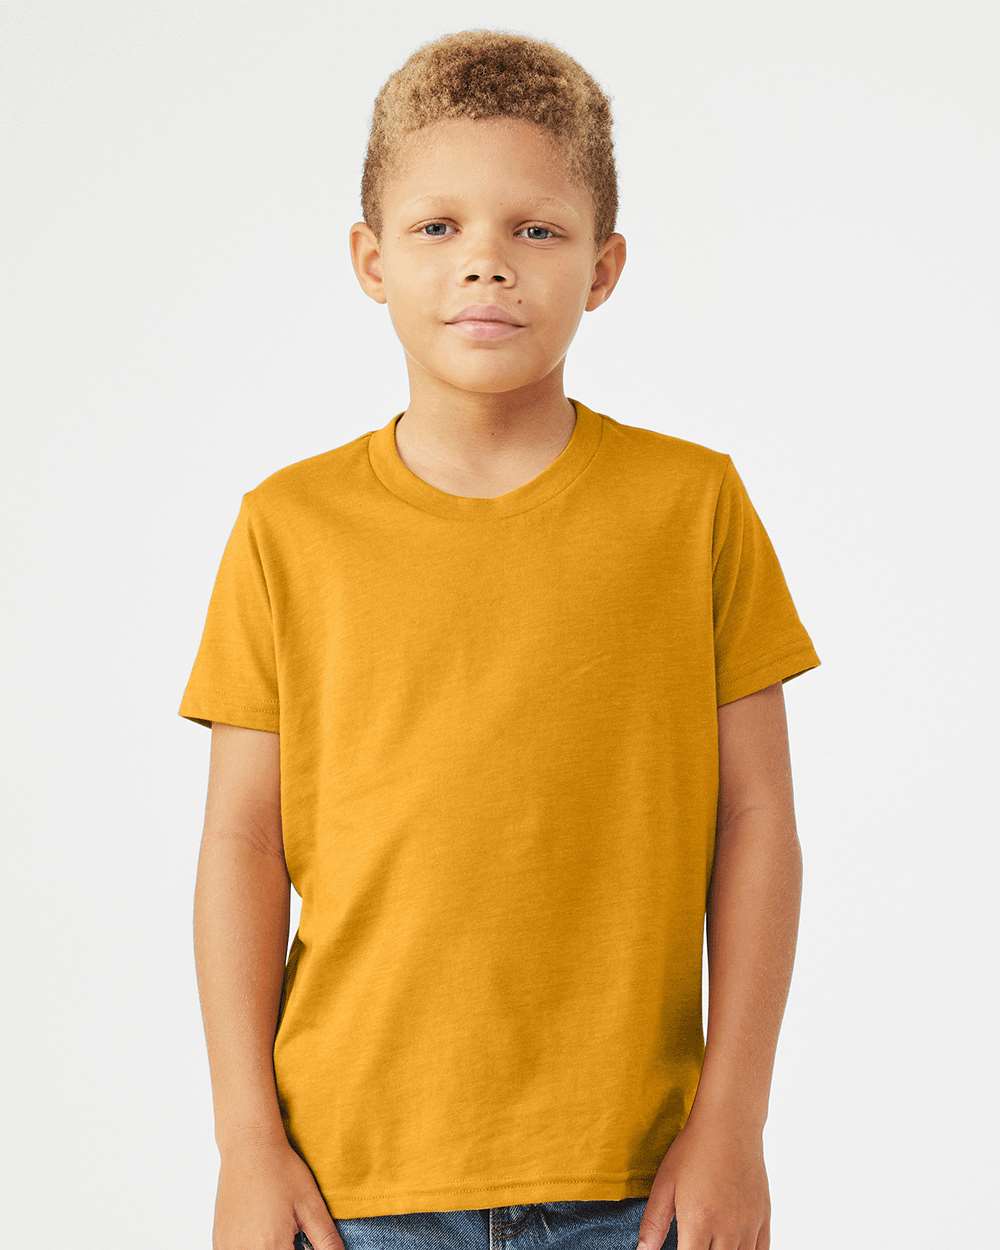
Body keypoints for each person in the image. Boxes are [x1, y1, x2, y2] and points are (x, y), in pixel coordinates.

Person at [178, 29, 822, 1250]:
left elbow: (757, 823)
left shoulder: (692, 507)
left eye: (535, 229)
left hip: (639, 1181)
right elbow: (241, 843)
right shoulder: (287, 526)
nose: (486, 262)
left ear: (603, 265)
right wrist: (245, 1141)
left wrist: (734, 1122)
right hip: (350, 1184)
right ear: (371, 260)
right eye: (438, 227)